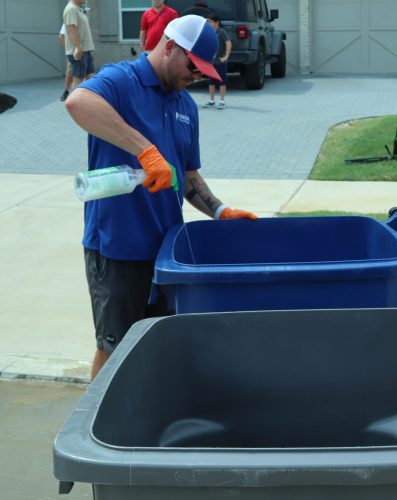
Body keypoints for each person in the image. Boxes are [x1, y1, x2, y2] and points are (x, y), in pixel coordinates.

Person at [64, 15, 258, 380]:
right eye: (193, 66)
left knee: (159, 343)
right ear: (169, 46)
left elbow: (185, 175)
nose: (197, 77)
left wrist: (218, 210)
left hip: (166, 253)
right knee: (114, 348)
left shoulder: (185, 107)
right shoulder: (122, 80)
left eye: (204, 72)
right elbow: (77, 102)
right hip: (117, 247)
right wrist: (146, 151)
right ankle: (93, 429)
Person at [63, 0, 95, 87]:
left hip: (86, 50)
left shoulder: (78, 9)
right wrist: (78, 48)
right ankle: (76, 100)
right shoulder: (71, 9)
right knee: (78, 80)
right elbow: (72, 30)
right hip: (79, 51)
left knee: (91, 76)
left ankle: (90, 98)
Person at [203, 14, 231, 109]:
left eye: (210, 22)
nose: (209, 23)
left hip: (220, 62)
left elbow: (228, 44)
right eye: (208, 22)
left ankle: (222, 101)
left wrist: (226, 56)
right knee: (211, 82)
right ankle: (211, 101)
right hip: (211, 62)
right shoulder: (208, 32)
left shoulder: (221, 32)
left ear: (216, 22)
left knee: (222, 81)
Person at [58, 23, 73, 101]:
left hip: (84, 51)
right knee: (70, 72)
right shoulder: (68, 21)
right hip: (72, 52)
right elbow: (61, 36)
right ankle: (66, 91)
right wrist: (68, 48)